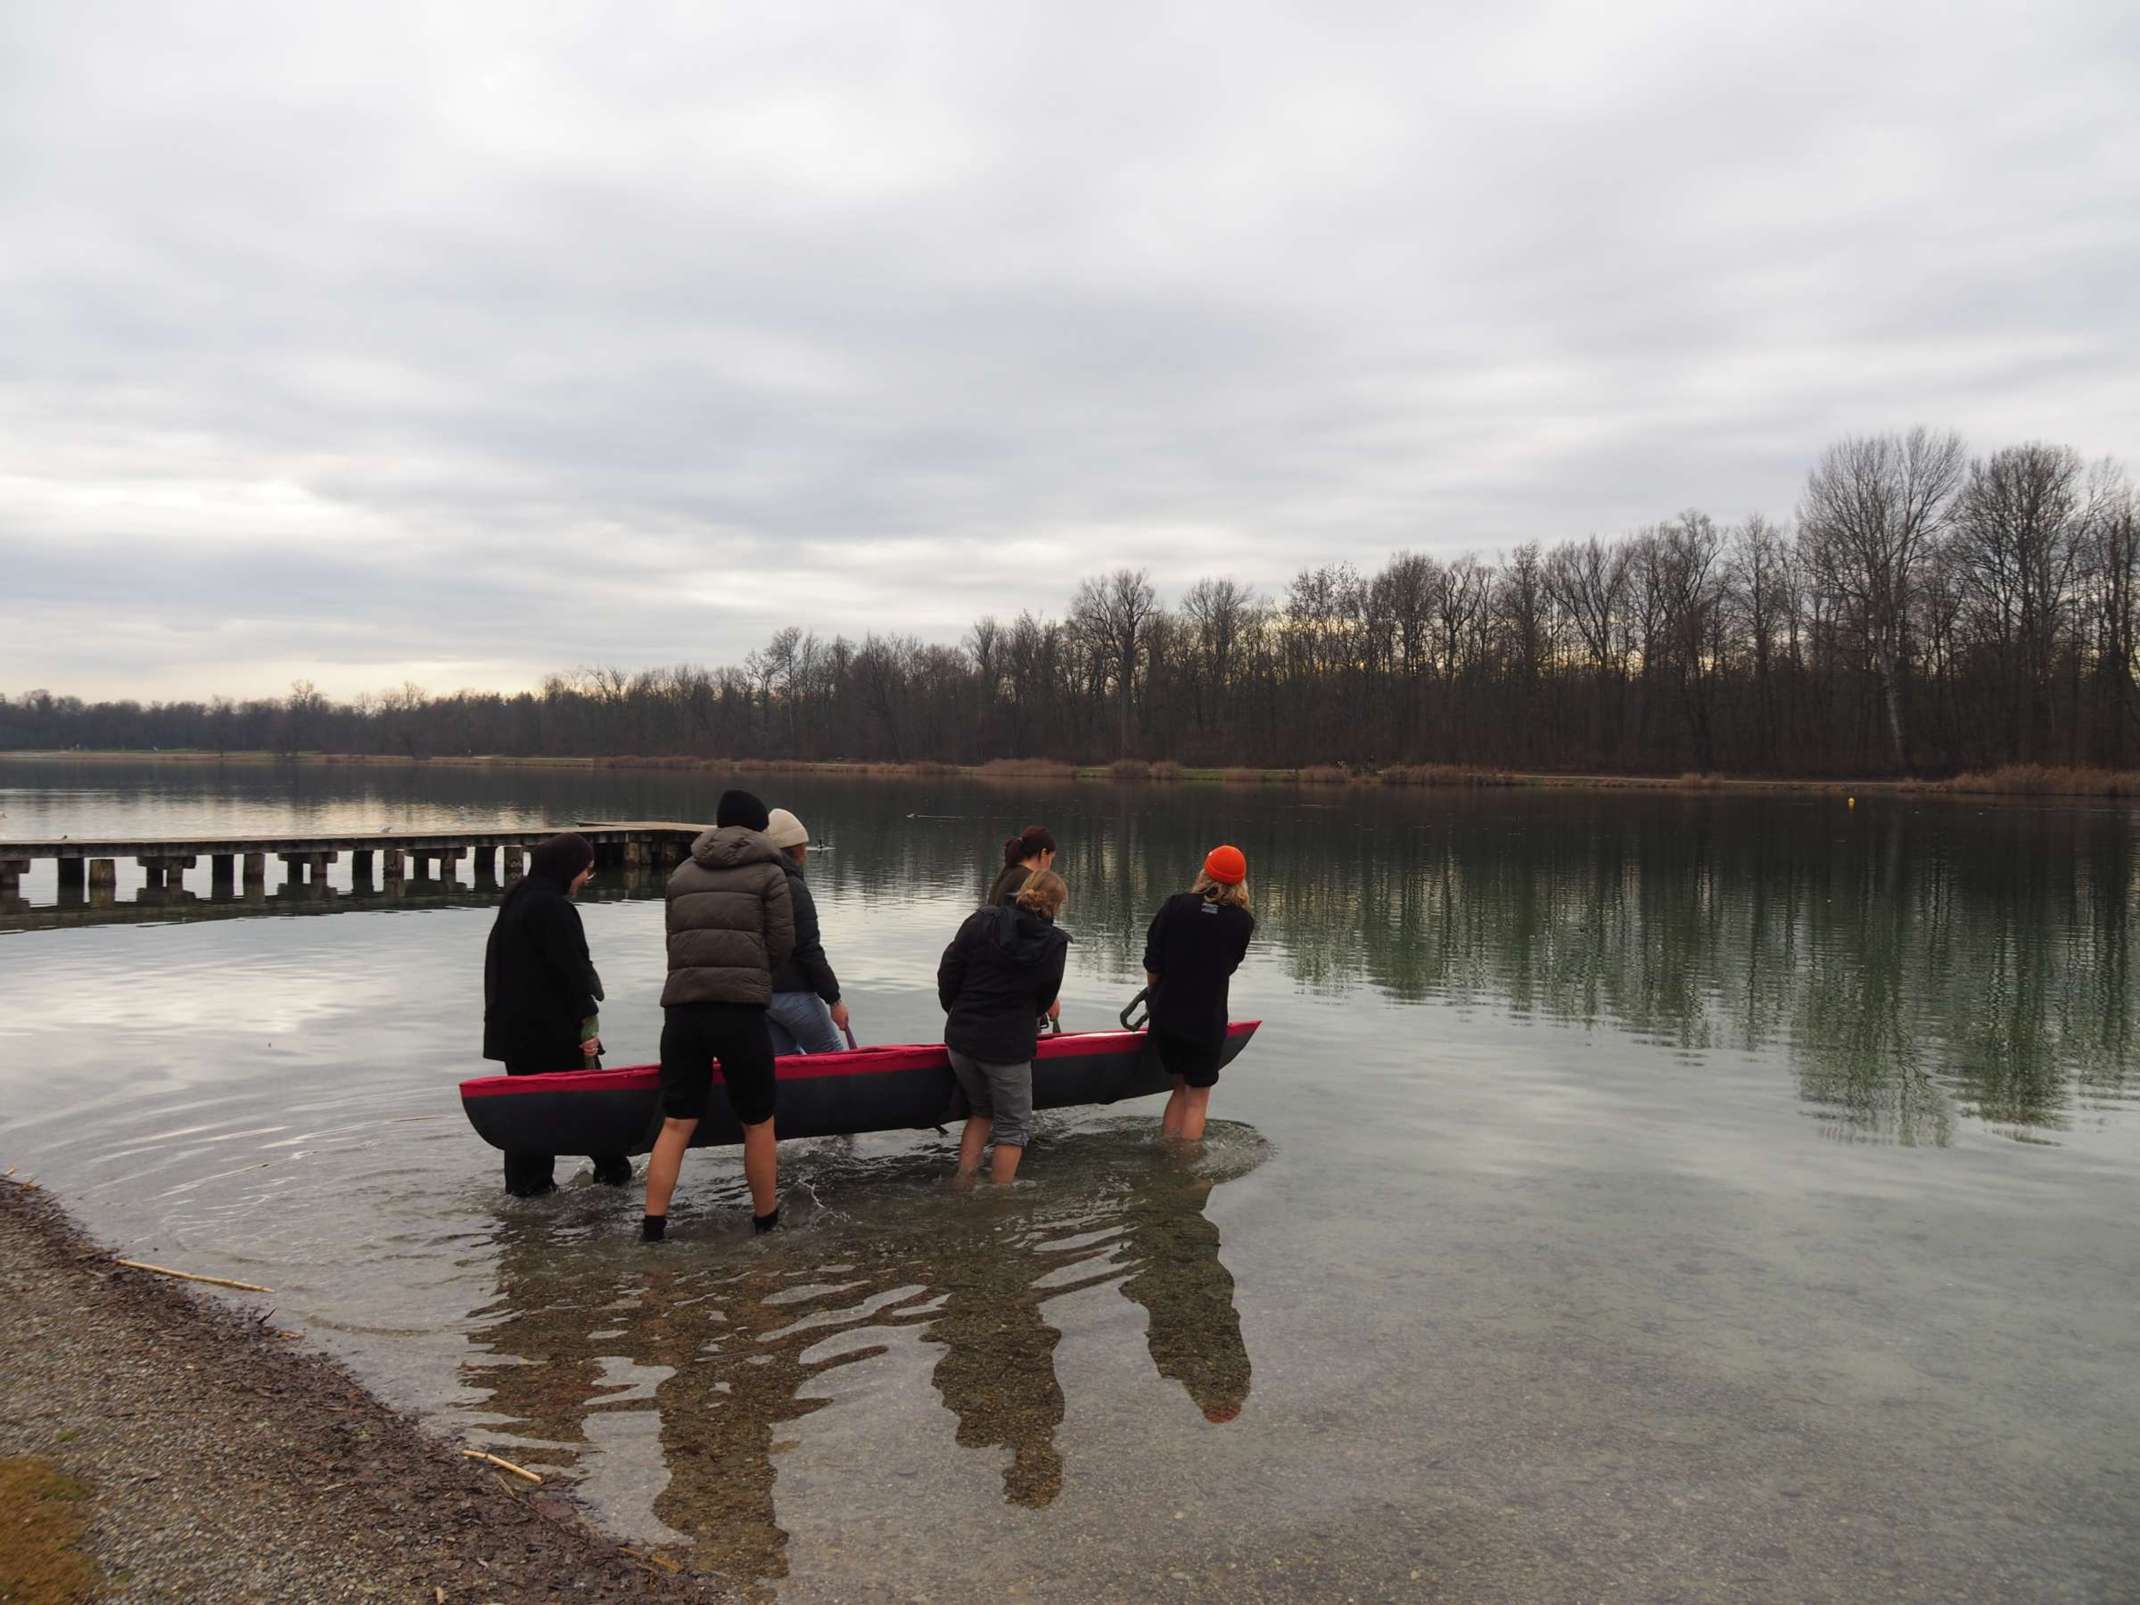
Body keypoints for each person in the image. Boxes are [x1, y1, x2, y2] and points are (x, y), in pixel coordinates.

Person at [642, 790, 795, 1242]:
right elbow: (782, 944)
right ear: (759, 829)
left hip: (683, 1011)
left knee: (675, 1122)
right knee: (758, 1120)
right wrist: (752, 977)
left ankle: (653, 1226)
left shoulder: (683, 872)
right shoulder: (770, 874)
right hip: (739, 1013)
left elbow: (674, 940)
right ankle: (765, 1220)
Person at [481, 832, 633, 1196]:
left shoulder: (515, 904)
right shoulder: (553, 908)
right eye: (586, 871)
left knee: (529, 1114)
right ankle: (615, 1180)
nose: (585, 879)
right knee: (592, 1104)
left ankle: (526, 1193)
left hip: (515, 1034)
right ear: (568, 868)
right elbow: (571, 971)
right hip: (554, 1032)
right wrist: (588, 1025)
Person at [937, 868, 1070, 1183]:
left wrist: (955, 1010)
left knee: (981, 1111)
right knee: (1013, 1128)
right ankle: (1000, 1203)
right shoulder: (1054, 943)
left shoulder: (981, 920)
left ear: (1024, 890)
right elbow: (1044, 998)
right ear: (1057, 905)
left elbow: (949, 970)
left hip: (961, 1039)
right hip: (1007, 1049)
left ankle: (964, 1182)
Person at [1141, 845, 1255, 1142]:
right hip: (1206, 1019)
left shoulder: (1176, 905)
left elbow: (1152, 961)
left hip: (1166, 1014)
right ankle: (1186, 1167)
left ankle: (1167, 1150)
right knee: (1197, 1098)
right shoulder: (1242, 922)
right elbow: (1229, 966)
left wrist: (1157, 994)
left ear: (1204, 874)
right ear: (1241, 882)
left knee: (1179, 1087)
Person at [762, 807, 850, 1054]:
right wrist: (834, 1000)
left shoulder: (754, 883)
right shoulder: (794, 888)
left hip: (761, 998)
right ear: (797, 849)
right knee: (832, 1057)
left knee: (785, 1068)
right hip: (795, 995)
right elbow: (809, 949)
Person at [984, 824, 1057, 909]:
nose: (1050, 865)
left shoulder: (1008, 872)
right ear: (1044, 853)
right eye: (1051, 858)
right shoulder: (1029, 880)